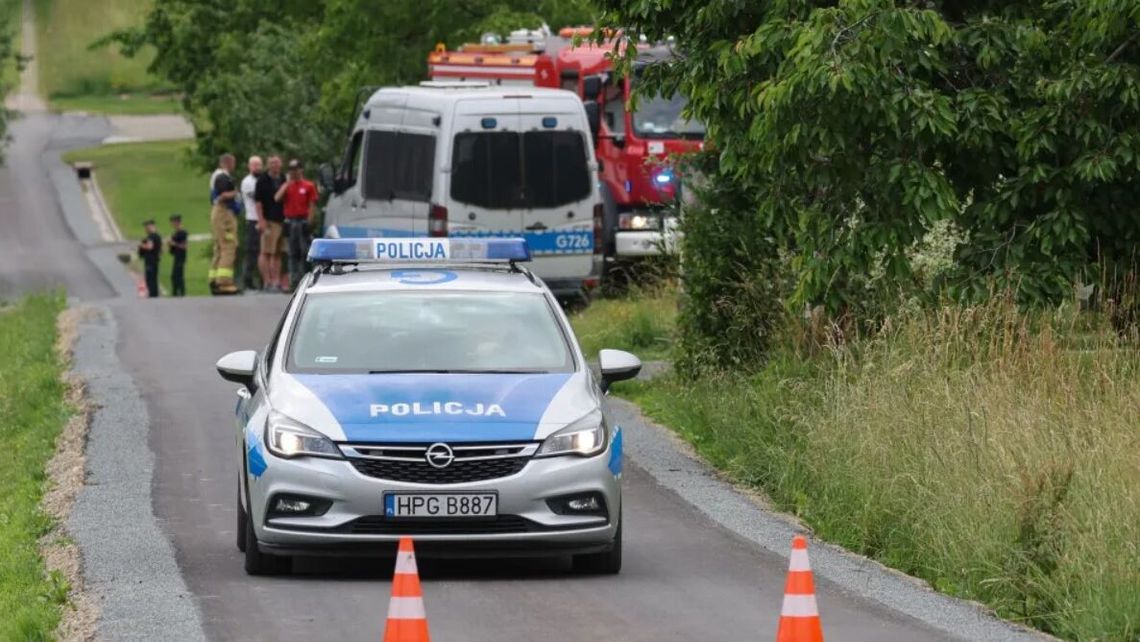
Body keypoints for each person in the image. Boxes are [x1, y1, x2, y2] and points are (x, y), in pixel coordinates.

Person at [276, 159, 319, 291]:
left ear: (301, 170)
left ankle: (306, 279)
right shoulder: (288, 186)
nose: (294, 172)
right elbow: (277, 198)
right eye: (291, 170)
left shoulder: (308, 186)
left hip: (302, 221)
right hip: (291, 221)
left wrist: (310, 222)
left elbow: (312, 205)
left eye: (296, 169)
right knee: (291, 253)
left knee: (304, 251)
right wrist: (287, 184)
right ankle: (293, 281)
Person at [208, 153, 240, 295]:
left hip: (219, 213)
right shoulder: (222, 177)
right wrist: (235, 193)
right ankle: (224, 282)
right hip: (223, 213)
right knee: (228, 245)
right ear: (228, 163)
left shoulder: (218, 175)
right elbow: (222, 195)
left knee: (220, 247)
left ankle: (214, 279)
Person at [255, 155, 287, 291]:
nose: (274, 165)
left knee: (278, 252)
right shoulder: (262, 180)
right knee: (266, 252)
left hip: (282, 220)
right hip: (269, 220)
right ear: (268, 165)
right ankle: (267, 281)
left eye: (276, 162)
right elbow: (258, 203)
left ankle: (276, 281)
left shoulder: (284, 179)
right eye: (272, 163)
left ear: (281, 164)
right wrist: (261, 220)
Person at [240, 156, 263, 291]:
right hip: (253, 219)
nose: (257, 168)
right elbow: (258, 198)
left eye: (259, 165)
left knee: (264, 252)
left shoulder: (263, 179)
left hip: (264, 219)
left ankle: (262, 281)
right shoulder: (247, 182)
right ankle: (247, 280)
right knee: (252, 251)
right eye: (254, 165)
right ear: (249, 167)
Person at [137, 219, 162, 298]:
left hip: (150, 260)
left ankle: (152, 295)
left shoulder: (151, 236)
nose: (145, 229)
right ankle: (154, 295)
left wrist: (141, 245)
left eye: (146, 227)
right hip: (155, 260)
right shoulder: (158, 236)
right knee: (154, 279)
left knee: (150, 279)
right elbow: (161, 250)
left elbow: (149, 247)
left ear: (150, 226)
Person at [168, 214, 188, 297]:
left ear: (177, 222)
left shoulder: (182, 233)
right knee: (174, 276)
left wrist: (174, 243)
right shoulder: (175, 233)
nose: (172, 224)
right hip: (176, 256)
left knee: (179, 275)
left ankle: (181, 293)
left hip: (180, 257)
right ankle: (175, 293)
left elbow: (184, 246)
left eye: (173, 222)